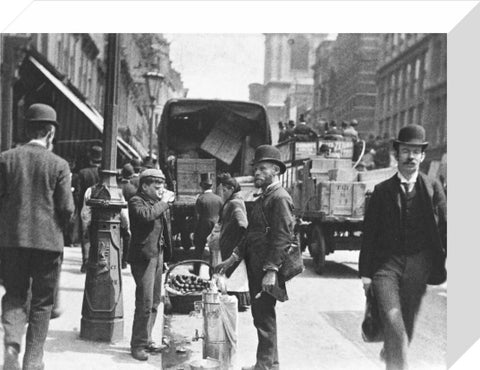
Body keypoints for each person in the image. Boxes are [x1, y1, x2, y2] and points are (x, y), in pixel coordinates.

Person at [359, 124, 447, 370]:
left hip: (419, 264)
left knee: (405, 325)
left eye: (416, 152)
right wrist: (366, 274)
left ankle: (392, 350)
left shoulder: (433, 188)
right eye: (406, 151)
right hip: (386, 266)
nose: (410, 157)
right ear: (397, 154)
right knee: (394, 322)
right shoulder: (381, 191)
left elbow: (447, 227)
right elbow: (370, 234)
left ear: (422, 156)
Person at [0, 103, 75, 370]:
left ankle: (11, 344)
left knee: (15, 295)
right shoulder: (59, 165)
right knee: (42, 304)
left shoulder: (6, 159)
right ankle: (33, 361)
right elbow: (66, 208)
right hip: (47, 244)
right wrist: (61, 228)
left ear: (26, 128)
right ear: (51, 134)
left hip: (11, 242)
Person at [216, 145, 294, 370]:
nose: (256, 173)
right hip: (257, 265)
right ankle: (271, 364)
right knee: (263, 316)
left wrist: (271, 271)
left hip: (267, 267)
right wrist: (232, 258)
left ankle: (264, 366)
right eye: (256, 169)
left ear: (276, 171)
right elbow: (251, 234)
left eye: (262, 168)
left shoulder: (279, 198)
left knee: (263, 318)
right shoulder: (264, 197)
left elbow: (282, 237)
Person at [127, 169, 175, 361]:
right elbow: (146, 216)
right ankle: (137, 345)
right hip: (143, 257)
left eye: (162, 186)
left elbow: (165, 228)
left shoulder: (156, 203)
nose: (160, 190)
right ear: (144, 186)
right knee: (144, 302)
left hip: (158, 255)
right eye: (156, 187)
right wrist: (164, 203)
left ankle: (146, 339)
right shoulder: (136, 201)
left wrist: (166, 256)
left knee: (155, 302)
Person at [217, 174, 250, 311]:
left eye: (224, 190)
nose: (222, 193)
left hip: (234, 244)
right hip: (231, 243)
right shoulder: (234, 201)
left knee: (236, 274)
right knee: (233, 274)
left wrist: (237, 238)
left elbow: (242, 223)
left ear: (231, 189)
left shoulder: (235, 203)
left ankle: (237, 300)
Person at [78, 145, 102, 272]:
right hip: (101, 207)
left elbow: (78, 193)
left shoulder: (83, 173)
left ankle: (86, 261)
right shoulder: (103, 172)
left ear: (90, 157)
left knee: (86, 235)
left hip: (86, 205)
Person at [193, 173, 223, 275]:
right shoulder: (219, 199)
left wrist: (194, 231)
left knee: (199, 250)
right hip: (215, 227)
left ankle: (196, 271)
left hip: (202, 227)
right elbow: (222, 214)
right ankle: (212, 274)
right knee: (213, 252)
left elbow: (197, 217)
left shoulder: (201, 199)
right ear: (212, 186)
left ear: (201, 186)